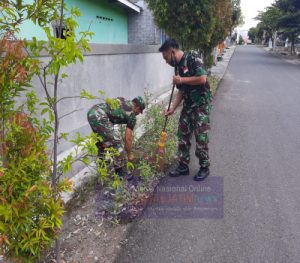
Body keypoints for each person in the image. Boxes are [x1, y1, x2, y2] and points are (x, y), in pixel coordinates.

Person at [159, 39, 212, 181]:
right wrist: (172, 109)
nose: (166, 62)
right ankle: (183, 166)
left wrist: (181, 80)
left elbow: (202, 78)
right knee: (182, 134)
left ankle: (204, 167)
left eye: (166, 58)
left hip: (201, 104)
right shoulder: (177, 68)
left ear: (172, 52)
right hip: (188, 105)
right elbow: (181, 91)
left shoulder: (193, 58)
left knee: (200, 136)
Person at [87, 96, 145, 180]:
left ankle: (102, 168)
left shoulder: (122, 99)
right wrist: (129, 154)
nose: (139, 113)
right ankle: (120, 173)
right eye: (140, 111)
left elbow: (112, 112)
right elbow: (128, 138)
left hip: (92, 112)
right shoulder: (132, 115)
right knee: (117, 142)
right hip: (100, 115)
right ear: (137, 107)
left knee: (101, 141)